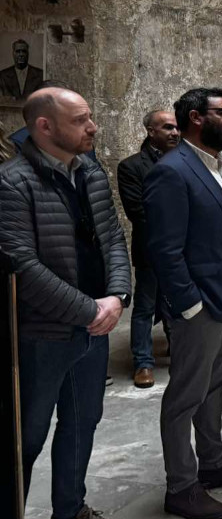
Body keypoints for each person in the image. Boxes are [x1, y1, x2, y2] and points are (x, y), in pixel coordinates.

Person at [0, 87, 131, 519]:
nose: (93, 127)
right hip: (43, 334)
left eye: (89, 117)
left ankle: (71, 509)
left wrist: (117, 296)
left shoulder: (90, 171)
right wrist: (91, 310)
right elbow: (22, 265)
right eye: (80, 120)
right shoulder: (12, 182)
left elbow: (113, 237)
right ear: (44, 126)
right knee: (26, 437)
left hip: (95, 326)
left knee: (82, 423)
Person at [143, 87, 222, 519]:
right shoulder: (172, 171)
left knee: (214, 384)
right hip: (201, 306)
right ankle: (181, 486)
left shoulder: (218, 166)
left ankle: (213, 461)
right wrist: (189, 304)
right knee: (186, 396)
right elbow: (164, 248)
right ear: (196, 117)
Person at [117, 109, 180, 388]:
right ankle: (143, 362)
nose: (175, 132)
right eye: (167, 127)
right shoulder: (131, 166)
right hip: (152, 248)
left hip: (182, 249)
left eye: (176, 127)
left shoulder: (185, 161)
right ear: (151, 132)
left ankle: (179, 350)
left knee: (177, 303)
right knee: (145, 305)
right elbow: (138, 212)